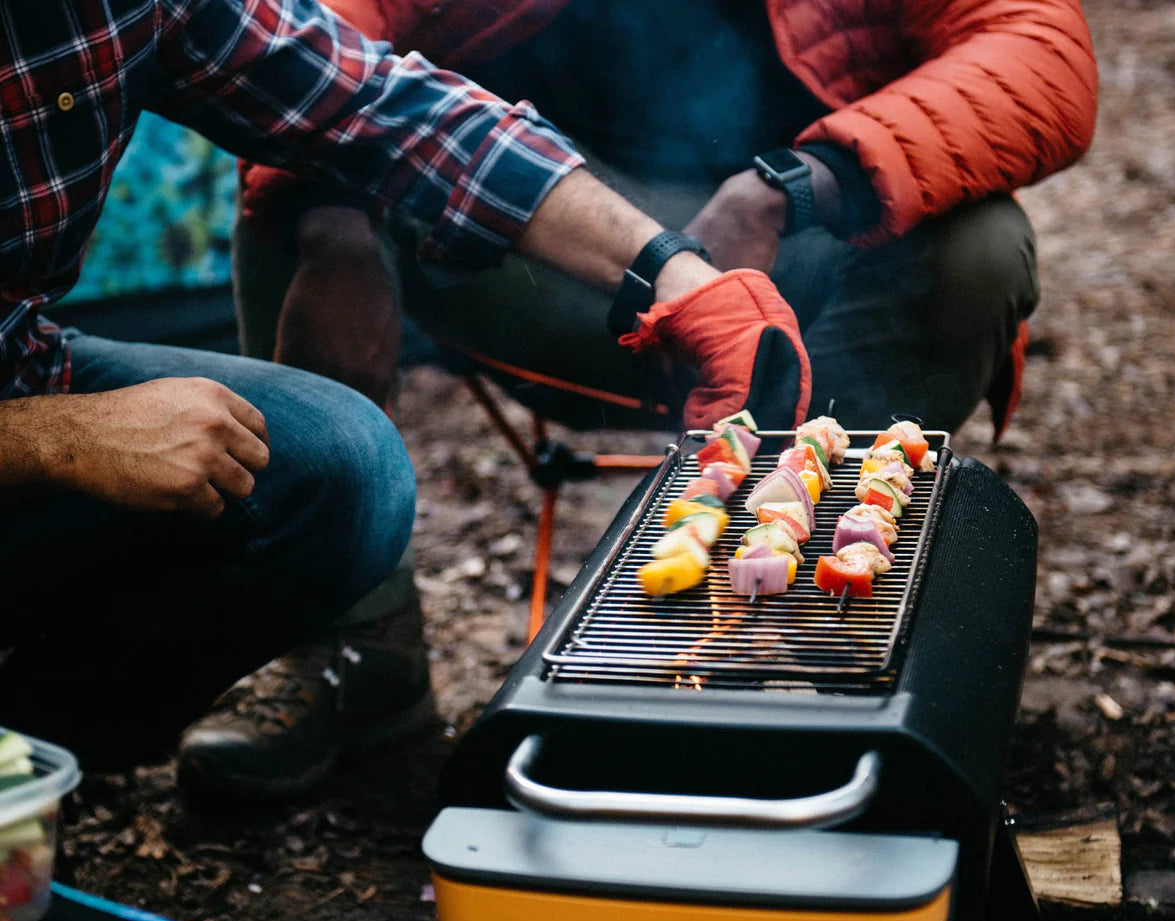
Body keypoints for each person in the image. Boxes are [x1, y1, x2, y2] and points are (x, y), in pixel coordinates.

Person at [183, 0, 1098, 800]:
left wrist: (791, 186)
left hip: (805, 259)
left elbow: (1038, 51)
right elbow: (317, 38)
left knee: (977, 246)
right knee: (297, 201)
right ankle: (358, 643)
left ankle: (808, 629)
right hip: (555, 258)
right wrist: (333, 226)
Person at [0, 0, 812, 777]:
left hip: (20, 365)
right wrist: (55, 438)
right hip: (23, 423)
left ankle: (28, 756)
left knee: (337, 463)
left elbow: (381, 107)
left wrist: (670, 271)